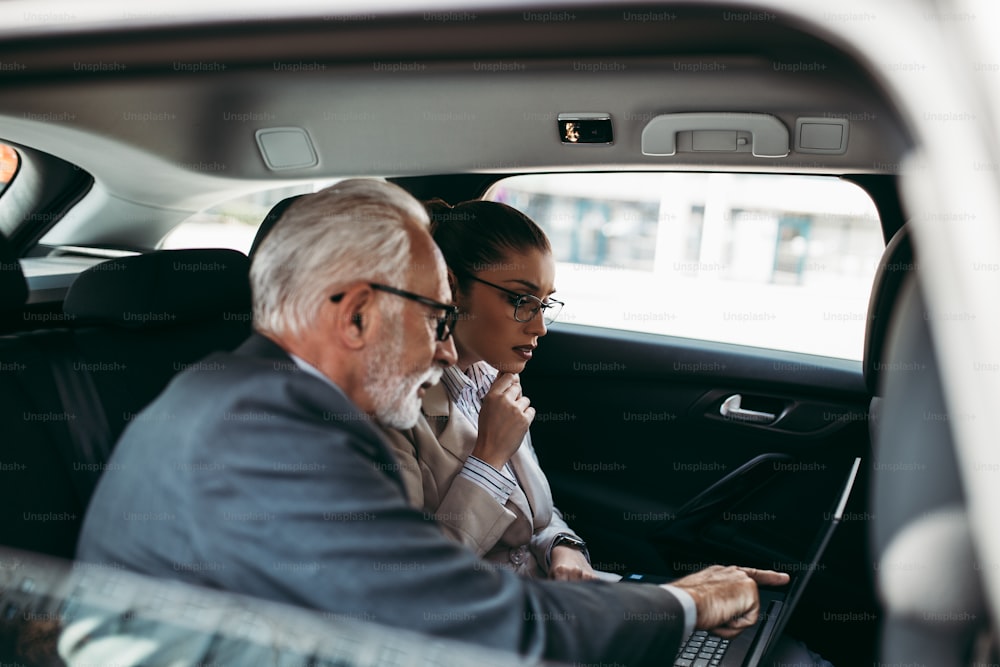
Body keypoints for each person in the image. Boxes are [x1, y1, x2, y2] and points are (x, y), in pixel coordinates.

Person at [76, 178, 789, 666]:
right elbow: (477, 623)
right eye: (437, 319)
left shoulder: (258, 398)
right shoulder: (266, 435)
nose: (447, 349)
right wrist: (683, 602)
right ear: (356, 313)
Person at [380, 200, 597, 581]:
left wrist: (563, 547)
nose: (539, 326)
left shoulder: (492, 377)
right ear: (452, 288)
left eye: (544, 304)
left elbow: (531, 513)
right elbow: (412, 576)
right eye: (519, 300)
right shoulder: (391, 409)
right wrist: (489, 456)